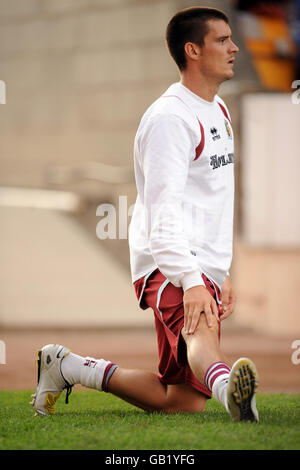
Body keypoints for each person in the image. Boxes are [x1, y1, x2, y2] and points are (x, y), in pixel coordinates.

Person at [30, 6, 259, 422]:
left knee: (182, 400)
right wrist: (190, 279)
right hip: (169, 261)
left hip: (200, 263)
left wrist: (219, 272)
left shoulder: (219, 110)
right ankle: (234, 396)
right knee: (200, 330)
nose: (235, 47)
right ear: (193, 50)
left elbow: (212, 199)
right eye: (222, 40)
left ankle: (66, 366)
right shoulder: (170, 119)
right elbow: (164, 210)